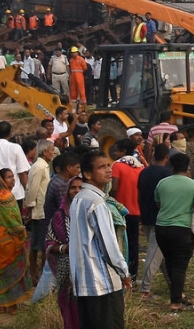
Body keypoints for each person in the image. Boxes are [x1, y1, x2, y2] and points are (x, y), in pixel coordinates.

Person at [69, 152, 131, 328]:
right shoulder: (96, 203)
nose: (108, 170)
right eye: (102, 167)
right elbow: (108, 245)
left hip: (83, 282)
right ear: (88, 174)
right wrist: (124, 272)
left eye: (108, 165)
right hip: (102, 284)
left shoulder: (79, 199)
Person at [154, 152, 194, 311]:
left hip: (161, 228)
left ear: (172, 167)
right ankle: (176, 301)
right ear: (187, 168)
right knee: (180, 265)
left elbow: (159, 204)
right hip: (181, 229)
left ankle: (178, 294)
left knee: (170, 261)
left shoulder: (162, 183)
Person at [0, 168, 33, 313]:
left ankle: (2, 305)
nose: (13, 179)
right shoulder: (9, 197)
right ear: (1, 180)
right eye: (8, 177)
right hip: (9, 241)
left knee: (0, 272)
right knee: (12, 271)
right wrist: (22, 230)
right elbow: (12, 221)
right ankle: (12, 305)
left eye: (13, 176)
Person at [46, 176, 83, 329]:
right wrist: (65, 249)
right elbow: (50, 242)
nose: (77, 191)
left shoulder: (91, 212)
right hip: (66, 268)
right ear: (67, 191)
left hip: (87, 269)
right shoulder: (59, 216)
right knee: (68, 306)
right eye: (73, 187)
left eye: (80, 188)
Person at [137, 143, 172, 298]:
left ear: (153, 155)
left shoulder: (144, 172)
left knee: (160, 254)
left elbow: (139, 196)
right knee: (154, 254)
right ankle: (145, 290)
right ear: (166, 157)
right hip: (160, 218)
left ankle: (173, 283)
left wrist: (141, 216)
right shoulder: (167, 174)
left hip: (146, 215)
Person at [109, 139, 144, 281]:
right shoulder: (139, 167)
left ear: (123, 151)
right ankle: (133, 275)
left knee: (118, 243)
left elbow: (114, 187)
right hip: (136, 211)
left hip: (120, 211)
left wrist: (109, 199)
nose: (115, 153)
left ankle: (120, 275)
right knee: (133, 244)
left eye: (116, 150)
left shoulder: (117, 165)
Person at [24, 139, 54, 283]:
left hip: (43, 210)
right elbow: (32, 189)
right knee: (37, 244)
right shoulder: (39, 167)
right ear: (45, 152)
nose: (53, 153)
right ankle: (34, 273)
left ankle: (41, 272)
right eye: (52, 150)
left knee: (41, 243)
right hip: (38, 211)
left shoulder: (44, 166)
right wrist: (30, 208)